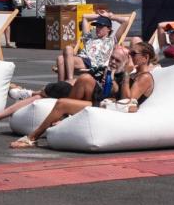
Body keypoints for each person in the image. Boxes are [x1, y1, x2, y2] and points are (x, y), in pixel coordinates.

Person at [11, 42, 156, 148]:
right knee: (86, 79)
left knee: (62, 103)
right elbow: (119, 94)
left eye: (133, 54)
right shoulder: (135, 74)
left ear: (145, 58)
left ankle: (33, 137)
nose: (129, 56)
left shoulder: (145, 77)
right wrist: (111, 84)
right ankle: (64, 119)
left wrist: (125, 73)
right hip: (108, 104)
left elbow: (127, 101)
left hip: (112, 109)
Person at [0, 47, 131, 131]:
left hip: (90, 102)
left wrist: (114, 79)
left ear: (124, 62)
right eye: (112, 58)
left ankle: (30, 92)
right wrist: (65, 83)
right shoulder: (100, 69)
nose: (112, 62)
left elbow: (121, 97)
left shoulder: (123, 77)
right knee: (41, 97)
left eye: (117, 60)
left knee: (51, 91)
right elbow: (76, 80)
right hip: (76, 93)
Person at [56, 11, 130, 82]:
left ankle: (70, 80)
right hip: (82, 59)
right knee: (60, 58)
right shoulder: (89, 38)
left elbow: (126, 21)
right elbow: (85, 17)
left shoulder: (112, 40)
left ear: (109, 29)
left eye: (101, 26)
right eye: (97, 26)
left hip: (92, 63)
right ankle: (62, 86)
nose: (97, 28)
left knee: (68, 49)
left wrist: (109, 16)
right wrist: (101, 16)